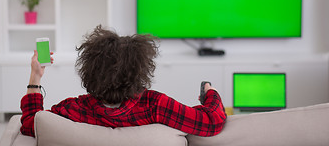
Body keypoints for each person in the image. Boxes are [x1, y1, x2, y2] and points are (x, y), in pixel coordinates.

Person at [20, 25, 227, 137]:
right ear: (140, 70)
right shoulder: (156, 105)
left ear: (90, 71)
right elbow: (212, 122)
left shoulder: (74, 109)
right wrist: (210, 93)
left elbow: (31, 123)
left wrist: (35, 75)